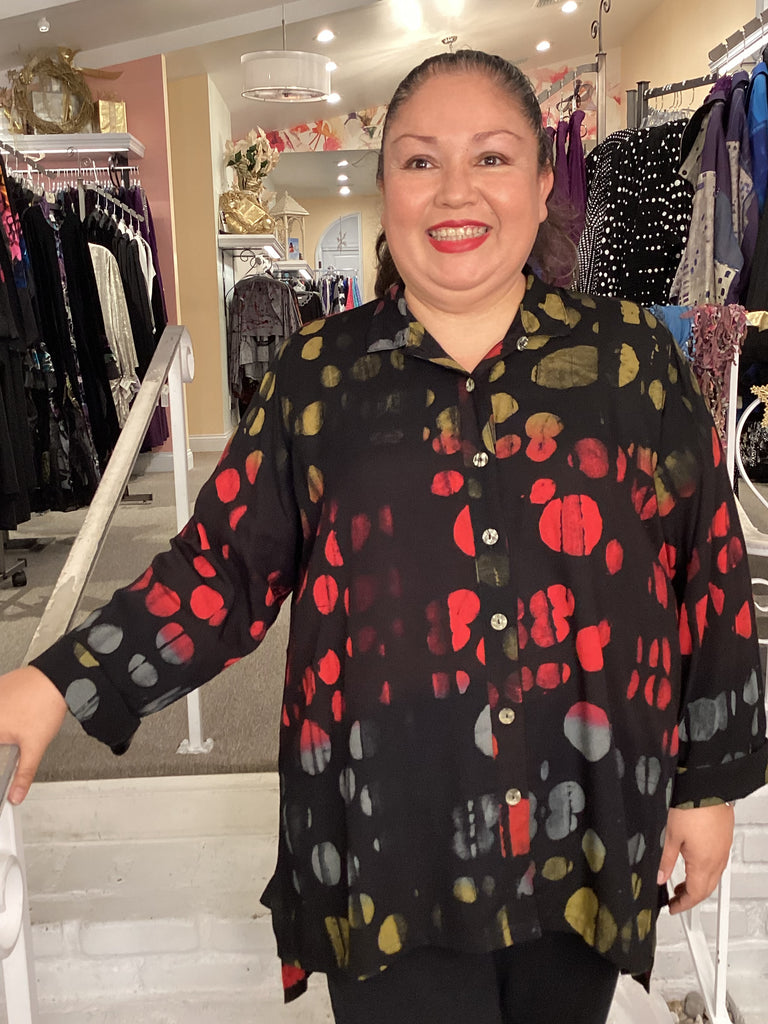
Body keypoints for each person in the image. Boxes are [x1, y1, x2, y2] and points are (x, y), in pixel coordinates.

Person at [1, 50, 766, 1024]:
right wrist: (60, 680)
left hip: (582, 825)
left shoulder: (633, 364)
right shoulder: (318, 378)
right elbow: (224, 570)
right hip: (385, 842)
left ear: (543, 183)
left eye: (492, 158)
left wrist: (707, 786)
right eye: (419, 160)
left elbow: (708, 576)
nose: (455, 192)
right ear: (385, 186)